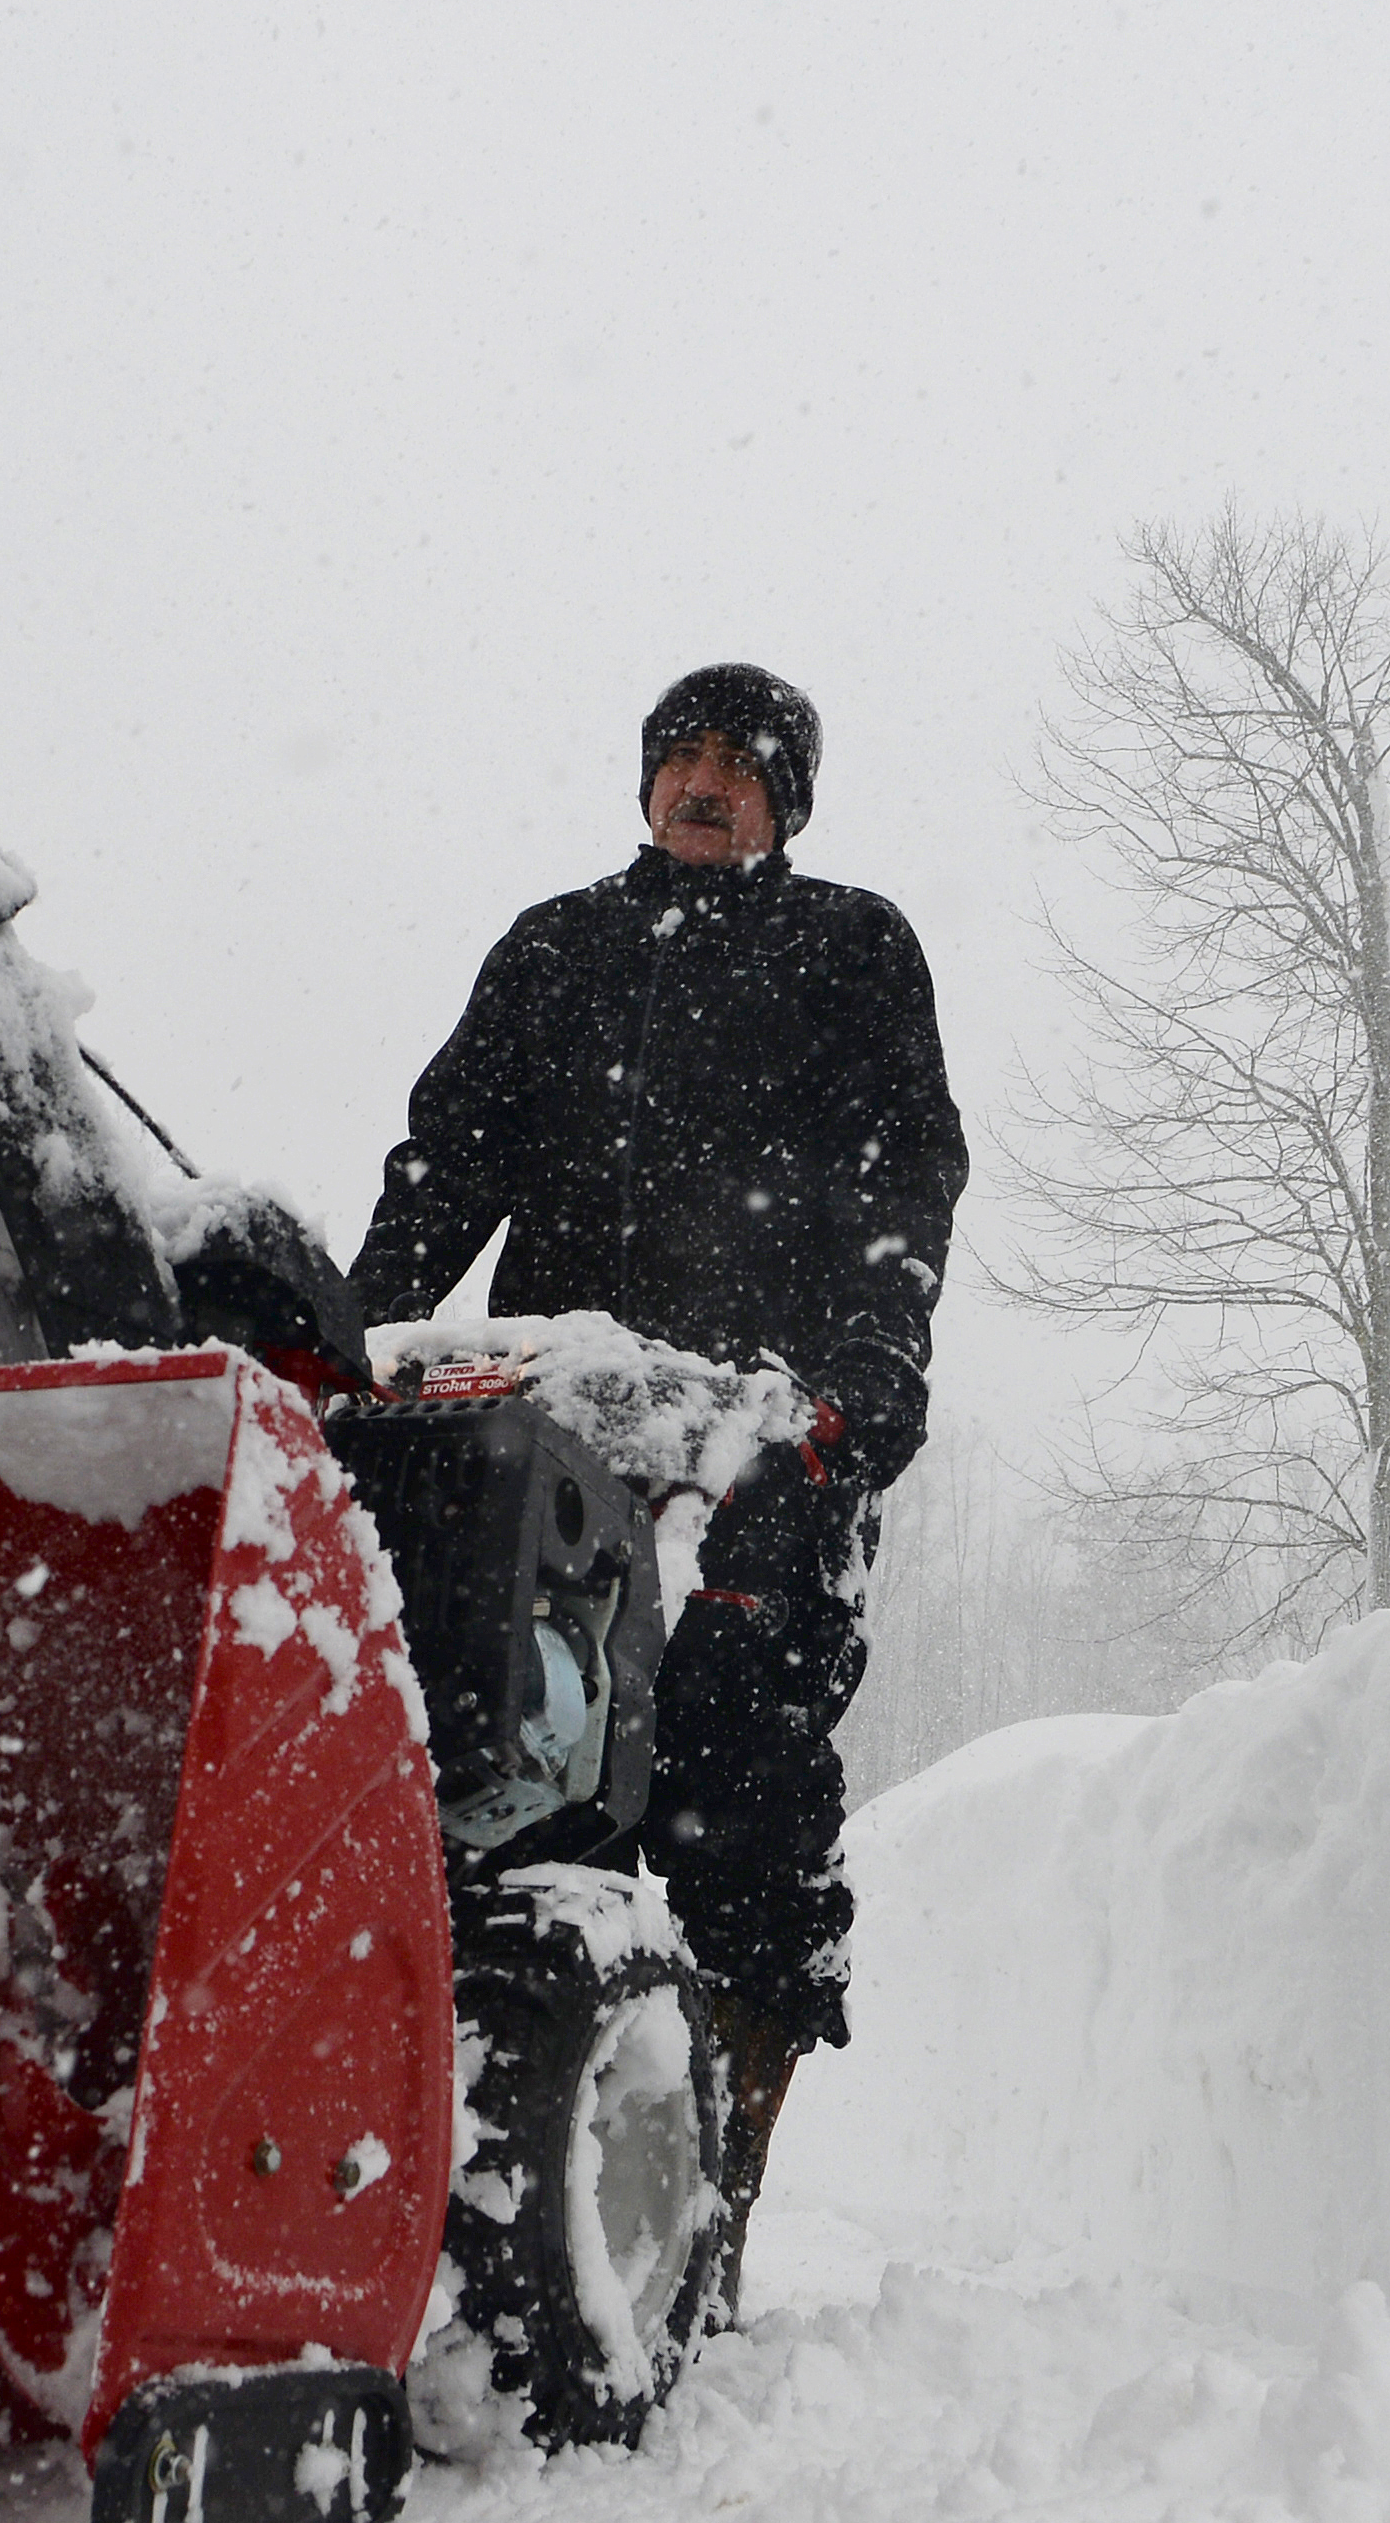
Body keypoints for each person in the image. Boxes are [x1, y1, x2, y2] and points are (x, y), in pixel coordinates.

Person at [347, 663, 969, 2259]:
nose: (704, 782)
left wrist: (864, 1386)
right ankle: (495, 2198)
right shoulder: (554, 950)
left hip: (763, 1453)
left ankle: (711, 2217)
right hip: (541, 1453)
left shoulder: (852, 949)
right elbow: (445, 1165)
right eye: (681, 756)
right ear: (643, 783)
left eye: (741, 766)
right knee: (505, 1812)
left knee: (743, 1818)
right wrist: (348, 1345)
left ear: (787, 805)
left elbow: (904, 1178)